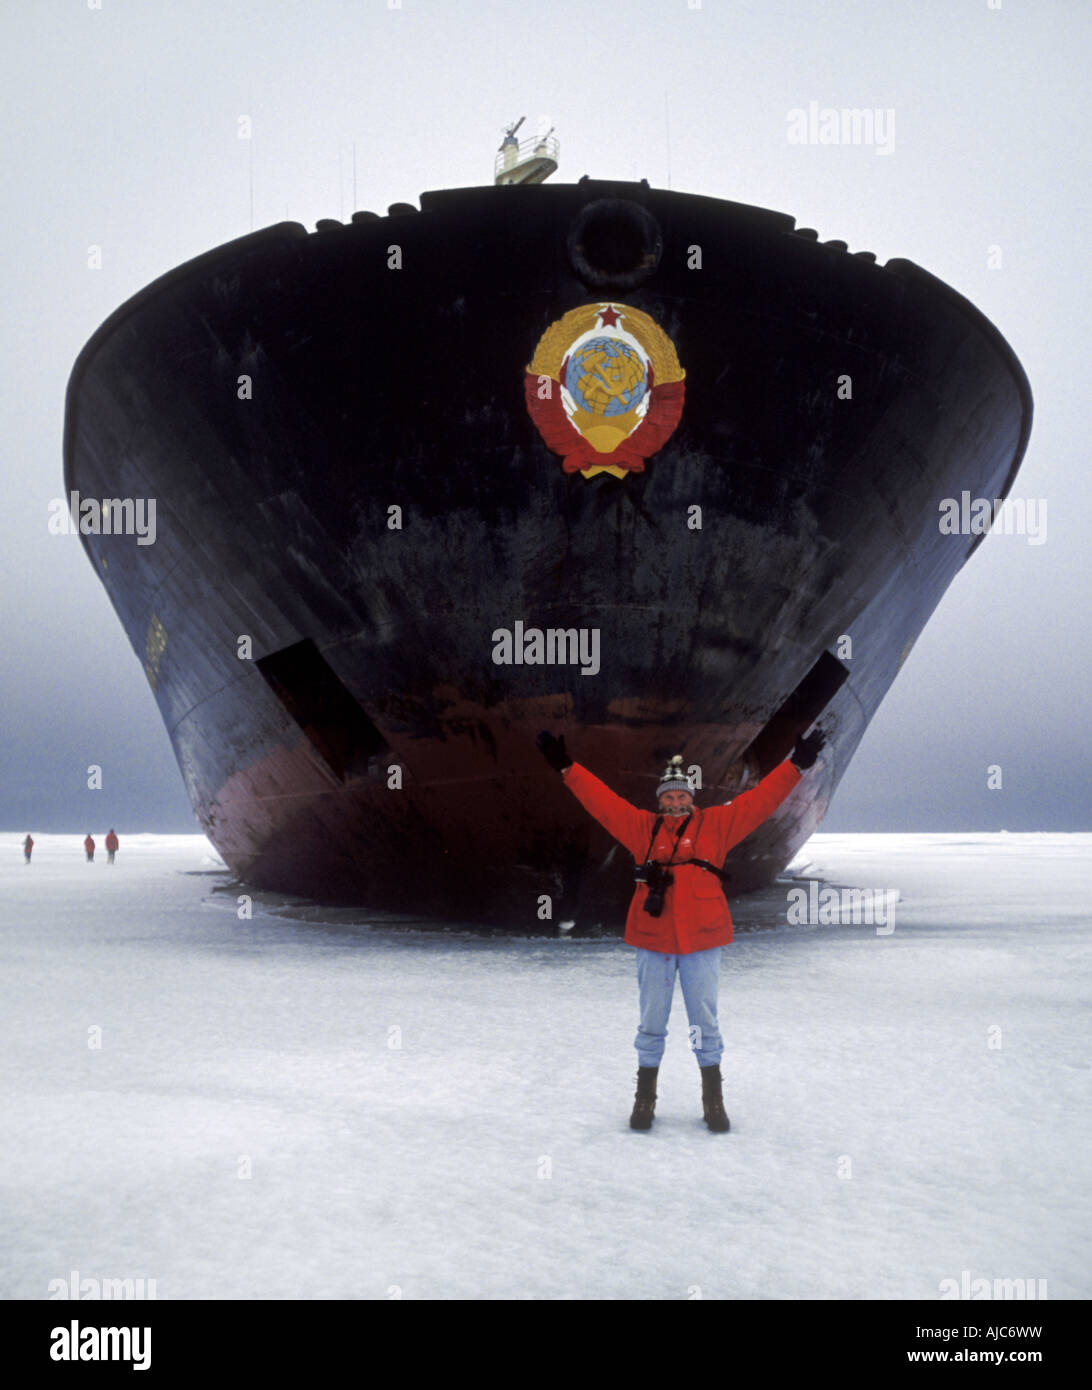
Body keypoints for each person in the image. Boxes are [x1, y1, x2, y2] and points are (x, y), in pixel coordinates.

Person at [536, 727, 827, 1132]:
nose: (675, 802)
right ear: (660, 801)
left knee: (704, 1022)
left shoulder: (718, 825)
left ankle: (713, 1101)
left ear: (692, 798)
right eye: (668, 797)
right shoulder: (642, 828)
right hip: (653, 940)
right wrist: (567, 768)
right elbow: (602, 803)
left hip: (703, 941)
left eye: (681, 796)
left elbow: (761, 802)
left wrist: (796, 765)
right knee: (651, 1022)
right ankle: (644, 1099)